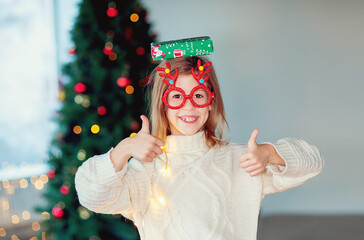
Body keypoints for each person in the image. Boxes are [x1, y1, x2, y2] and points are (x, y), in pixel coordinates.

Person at [75, 56, 324, 240]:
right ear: (163, 105)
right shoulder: (146, 169)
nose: (189, 107)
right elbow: (92, 195)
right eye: (176, 96)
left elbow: (312, 162)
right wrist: (125, 148)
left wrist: (269, 153)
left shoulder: (241, 160)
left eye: (198, 95)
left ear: (210, 101)